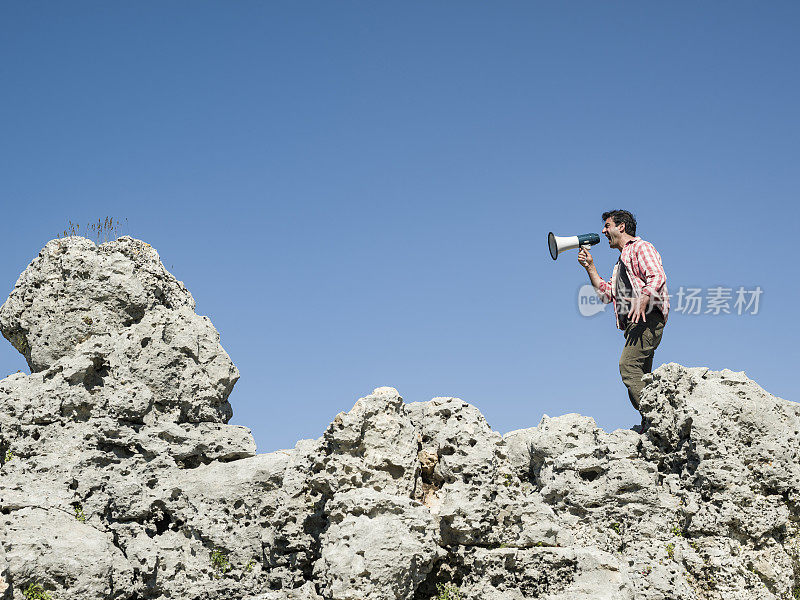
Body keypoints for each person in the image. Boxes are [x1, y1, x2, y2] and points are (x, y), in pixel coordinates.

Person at [578, 210, 669, 410]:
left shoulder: (641, 247)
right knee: (641, 378)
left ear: (621, 227)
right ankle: (652, 423)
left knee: (628, 366)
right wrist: (590, 267)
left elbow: (657, 276)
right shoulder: (620, 264)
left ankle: (657, 416)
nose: (603, 231)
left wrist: (644, 298)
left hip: (647, 318)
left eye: (607, 226)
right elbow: (606, 294)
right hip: (635, 325)